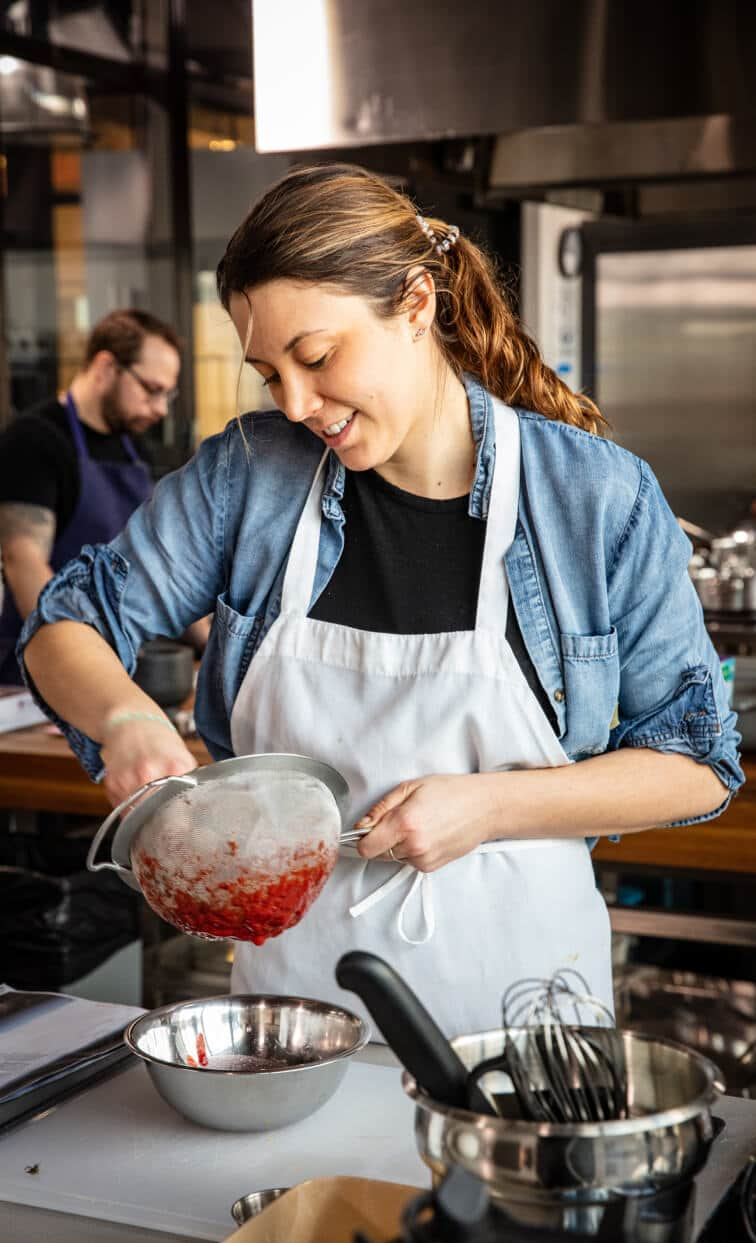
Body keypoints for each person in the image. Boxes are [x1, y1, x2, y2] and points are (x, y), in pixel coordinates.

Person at [19, 164, 743, 1036]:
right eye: (267, 372)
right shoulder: (251, 475)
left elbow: (697, 763)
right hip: (295, 1016)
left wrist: (487, 807)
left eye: (317, 357)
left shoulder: (595, 498)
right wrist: (126, 718)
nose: (296, 403)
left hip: (523, 1012)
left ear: (416, 305)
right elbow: (66, 622)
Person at [0, 309, 184, 687]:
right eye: (152, 389)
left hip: (122, 663)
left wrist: (216, 643)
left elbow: (160, 563)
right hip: (42, 674)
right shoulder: (34, 441)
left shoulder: (136, 451)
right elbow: (24, 564)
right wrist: (85, 667)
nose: (162, 409)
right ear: (105, 367)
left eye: (169, 394)